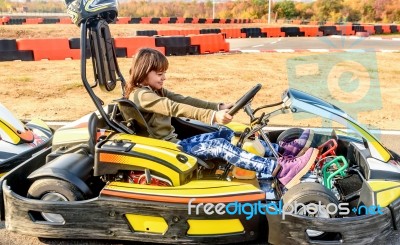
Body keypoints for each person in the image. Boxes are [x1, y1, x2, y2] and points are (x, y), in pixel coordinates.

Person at [124, 48, 318, 188]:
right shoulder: (142, 95)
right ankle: (279, 169)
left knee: (227, 133)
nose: (164, 77)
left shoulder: (154, 90)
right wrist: (212, 116)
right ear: (143, 71)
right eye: (159, 73)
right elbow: (175, 108)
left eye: (164, 73)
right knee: (220, 146)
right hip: (172, 151)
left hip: (175, 144)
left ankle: (282, 150)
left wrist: (218, 107)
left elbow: (185, 99)